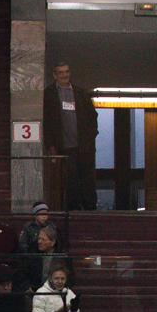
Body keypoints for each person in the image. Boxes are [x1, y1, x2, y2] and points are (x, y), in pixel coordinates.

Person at [41, 60, 96, 211]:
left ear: (70, 73)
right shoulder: (49, 94)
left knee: (88, 180)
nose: (64, 75)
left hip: (85, 146)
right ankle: (73, 211)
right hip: (64, 147)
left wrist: (91, 137)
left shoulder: (80, 92)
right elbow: (46, 121)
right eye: (61, 72)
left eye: (66, 72)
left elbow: (93, 116)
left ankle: (91, 210)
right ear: (54, 75)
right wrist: (51, 144)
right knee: (71, 181)